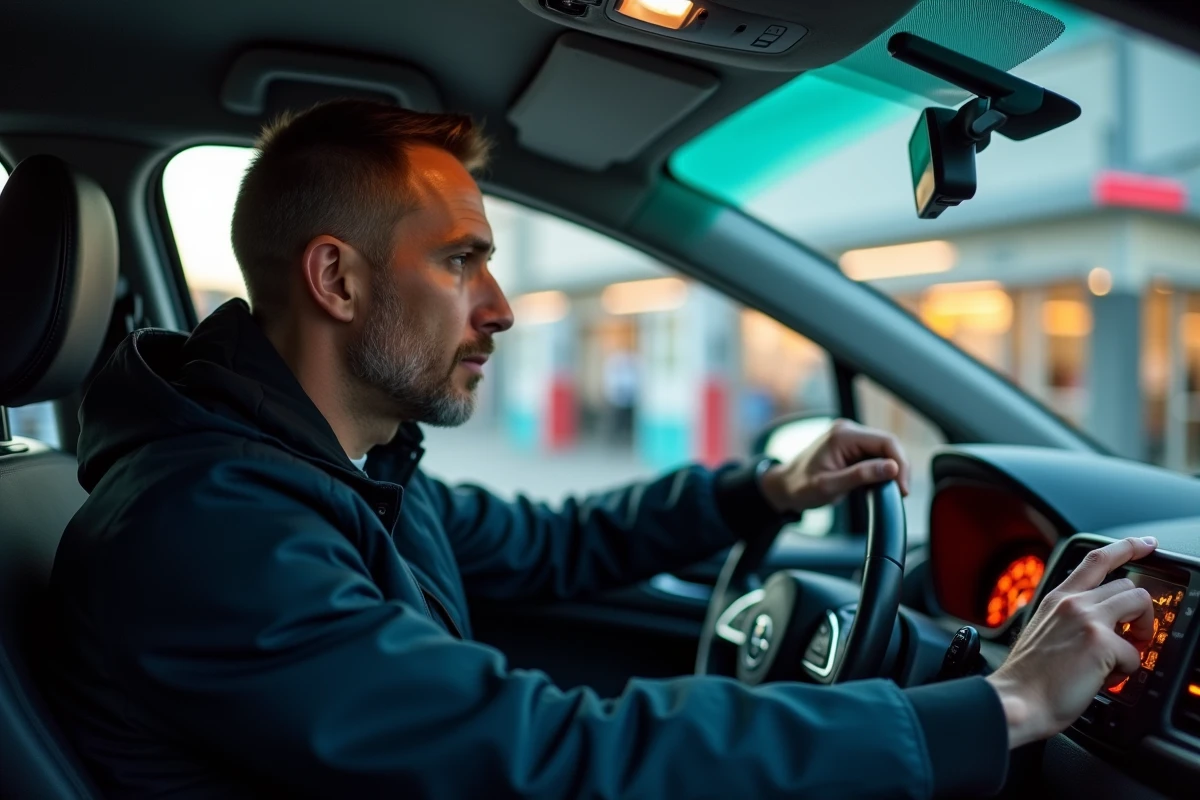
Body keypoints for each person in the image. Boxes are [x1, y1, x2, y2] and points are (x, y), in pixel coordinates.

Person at [45, 99, 1157, 799]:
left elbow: (551, 543)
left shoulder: (342, 469)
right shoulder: (209, 531)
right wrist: (1002, 705)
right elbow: (539, 747)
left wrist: (761, 488)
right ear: (336, 279)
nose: (500, 307)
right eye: (460, 262)